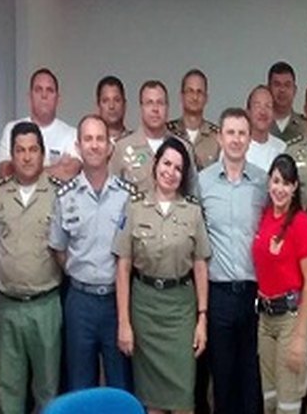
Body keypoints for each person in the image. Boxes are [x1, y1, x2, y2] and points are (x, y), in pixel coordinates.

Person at [114, 137, 211, 413]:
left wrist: (202, 318)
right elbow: (123, 266)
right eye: (166, 163)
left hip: (181, 310)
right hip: (145, 309)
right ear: (155, 165)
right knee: (150, 400)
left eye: (178, 168)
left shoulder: (192, 212)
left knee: (183, 398)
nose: (171, 172)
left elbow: (201, 265)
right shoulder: (133, 208)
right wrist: (124, 322)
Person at [49, 115, 134, 391]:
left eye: (100, 139)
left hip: (116, 302)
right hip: (79, 303)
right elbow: (59, 250)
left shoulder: (127, 196)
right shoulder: (65, 196)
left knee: (120, 384)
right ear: (78, 145)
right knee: (79, 384)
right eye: (88, 139)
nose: (94, 145)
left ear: (110, 146)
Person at [0, 121, 64, 412]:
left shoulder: (59, 194)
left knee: (47, 388)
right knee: (8, 387)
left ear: (43, 154)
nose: (27, 156)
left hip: (45, 305)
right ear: (11, 156)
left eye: (33, 149)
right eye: (20, 150)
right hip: (7, 306)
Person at [199, 107, 267, 414]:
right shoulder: (202, 183)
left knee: (251, 380)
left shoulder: (264, 184)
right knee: (222, 380)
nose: (236, 139)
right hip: (219, 294)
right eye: (230, 133)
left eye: (242, 133)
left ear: (250, 139)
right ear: (219, 137)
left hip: (255, 295)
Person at [253, 154, 307, 414]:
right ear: (269, 183)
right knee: (269, 400)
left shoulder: (300, 223)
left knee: (287, 405)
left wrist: (301, 335)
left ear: (294, 188)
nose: (280, 189)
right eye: (276, 181)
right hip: (265, 319)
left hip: (291, 320)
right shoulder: (265, 217)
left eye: (287, 183)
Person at [111, 80, 198, 194]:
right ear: (141, 108)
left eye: (160, 103)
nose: (155, 109)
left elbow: (193, 195)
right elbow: (111, 195)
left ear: (167, 107)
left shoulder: (184, 148)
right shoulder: (121, 148)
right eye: (149, 103)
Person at [0, 67, 80, 181]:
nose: (44, 95)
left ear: (58, 99)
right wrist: (55, 167)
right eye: (38, 90)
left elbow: (69, 172)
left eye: (50, 90)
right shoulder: (11, 129)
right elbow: (4, 171)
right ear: (30, 97)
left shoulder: (72, 134)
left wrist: (23, 168)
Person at [167, 68, 220, 171]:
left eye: (199, 92)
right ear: (181, 96)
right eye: (190, 91)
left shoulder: (217, 137)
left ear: (206, 98)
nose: (195, 97)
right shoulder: (167, 132)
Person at [246, 84, 287, 172]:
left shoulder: (282, 148)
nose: (263, 112)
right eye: (257, 106)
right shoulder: (236, 146)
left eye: (268, 106)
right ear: (248, 112)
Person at [268, 61, 307, 142]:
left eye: (287, 85)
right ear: (268, 89)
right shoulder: (259, 124)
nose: (282, 90)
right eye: (277, 84)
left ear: (294, 90)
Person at [96, 75, 132, 143]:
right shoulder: (91, 145)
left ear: (124, 105)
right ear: (98, 106)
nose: (111, 106)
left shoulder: (137, 142)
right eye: (105, 101)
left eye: (117, 100)